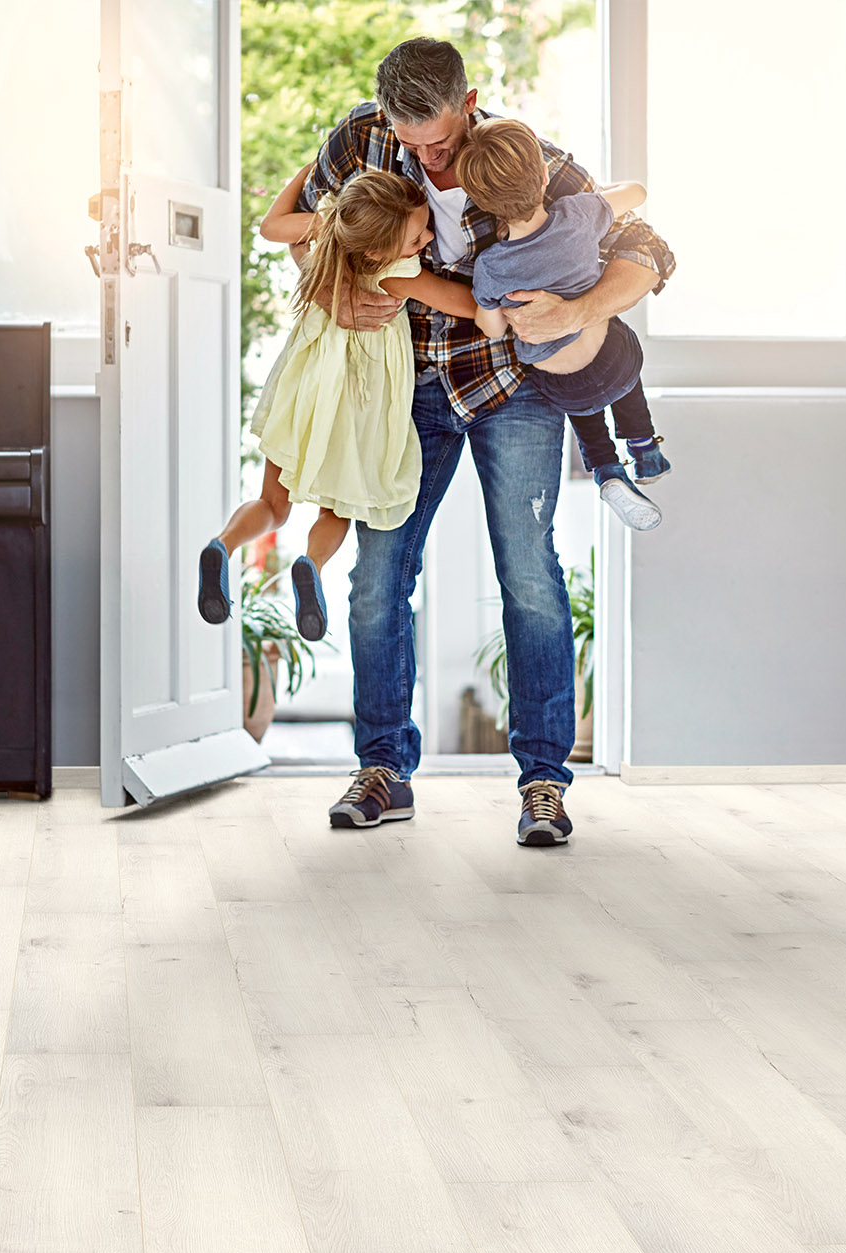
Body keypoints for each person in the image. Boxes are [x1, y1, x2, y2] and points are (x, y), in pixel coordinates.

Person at [289, 37, 675, 844]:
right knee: (378, 573)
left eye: (440, 140)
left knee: (530, 576)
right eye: (412, 143)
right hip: (407, 386)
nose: (429, 160)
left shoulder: (523, 159)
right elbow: (309, 234)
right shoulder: (360, 140)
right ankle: (384, 767)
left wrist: (578, 311)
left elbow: (649, 250)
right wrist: (333, 293)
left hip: (515, 387)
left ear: (471, 104)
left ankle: (543, 782)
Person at [197, 166, 501, 642]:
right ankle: (311, 564)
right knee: (335, 510)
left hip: (302, 392)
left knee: (273, 505)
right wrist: (506, 296)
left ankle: (223, 544)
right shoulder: (397, 273)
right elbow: (458, 301)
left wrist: (305, 172)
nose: (426, 238)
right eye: (417, 234)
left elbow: (271, 226)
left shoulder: (331, 225)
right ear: (379, 250)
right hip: (352, 404)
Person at [455, 117, 672, 532]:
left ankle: (606, 468)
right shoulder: (578, 214)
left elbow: (493, 330)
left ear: (481, 203)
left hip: (563, 388)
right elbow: (637, 193)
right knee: (617, 347)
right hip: (614, 365)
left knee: (576, 398)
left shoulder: (491, 267)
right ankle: (644, 448)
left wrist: (494, 305)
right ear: (542, 176)